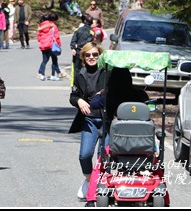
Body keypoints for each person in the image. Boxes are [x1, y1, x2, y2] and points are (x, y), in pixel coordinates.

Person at [83, 66, 149, 205]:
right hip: (142, 144)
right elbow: (147, 102)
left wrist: (99, 94)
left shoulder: (107, 96)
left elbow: (93, 104)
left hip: (117, 144)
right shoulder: (140, 95)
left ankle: (91, 198)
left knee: (100, 164)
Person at [69, 42, 107, 200]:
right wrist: (79, 101)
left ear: (100, 56)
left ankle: (101, 187)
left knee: (102, 156)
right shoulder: (80, 74)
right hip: (89, 120)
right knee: (84, 155)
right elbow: (73, 95)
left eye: (95, 55)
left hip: (107, 120)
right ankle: (89, 180)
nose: (92, 57)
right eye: (88, 55)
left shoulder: (107, 72)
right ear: (83, 57)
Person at [36, 13, 64, 81]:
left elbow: (39, 38)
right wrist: (59, 44)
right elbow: (56, 36)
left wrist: (42, 41)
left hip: (43, 45)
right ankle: (55, 74)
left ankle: (40, 73)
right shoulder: (53, 26)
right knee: (54, 60)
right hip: (51, 45)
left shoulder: (41, 26)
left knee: (44, 60)